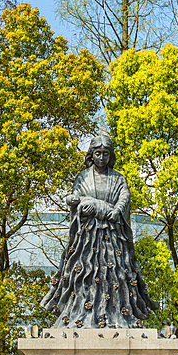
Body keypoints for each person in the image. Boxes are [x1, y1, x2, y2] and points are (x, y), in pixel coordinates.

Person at [41, 136, 157, 328]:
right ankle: (80, 313)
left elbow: (124, 197)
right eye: (98, 153)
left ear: (110, 156)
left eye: (105, 154)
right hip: (87, 238)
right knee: (84, 274)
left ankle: (116, 313)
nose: (101, 157)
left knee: (115, 274)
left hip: (112, 235)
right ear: (91, 155)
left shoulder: (118, 178)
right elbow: (77, 197)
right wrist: (74, 200)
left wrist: (116, 210)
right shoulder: (83, 177)